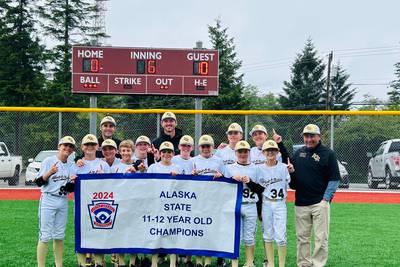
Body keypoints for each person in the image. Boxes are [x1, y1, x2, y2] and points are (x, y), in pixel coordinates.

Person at [290, 124, 340, 267]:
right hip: (301, 203)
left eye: (312, 136)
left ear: (319, 137)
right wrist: (292, 173)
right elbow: (293, 182)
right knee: (302, 238)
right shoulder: (298, 153)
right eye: (306, 136)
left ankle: (318, 264)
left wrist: (326, 199)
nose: (309, 139)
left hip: (319, 203)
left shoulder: (328, 154)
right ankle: (304, 264)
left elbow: (335, 178)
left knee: (321, 238)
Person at [246, 140, 294, 267]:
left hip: (280, 204)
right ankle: (271, 264)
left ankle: (281, 265)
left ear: (277, 152)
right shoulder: (259, 169)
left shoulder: (284, 167)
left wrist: (292, 171)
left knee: (281, 235)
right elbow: (257, 189)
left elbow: (292, 184)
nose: (270, 152)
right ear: (263, 152)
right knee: (267, 234)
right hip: (266, 203)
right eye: (268, 150)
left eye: (273, 150)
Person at [35, 136, 77, 267]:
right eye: (65, 145)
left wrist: (72, 182)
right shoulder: (49, 161)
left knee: (59, 235)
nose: (67, 148)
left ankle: (59, 265)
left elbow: (69, 189)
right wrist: (50, 172)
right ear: (59, 146)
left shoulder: (71, 164)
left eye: (70, 146)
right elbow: (38, 182)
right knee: (45, 235)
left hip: (63, 200)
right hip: (48, 199)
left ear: (72, 150)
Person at [72, 134, 109, 267]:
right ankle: (82, 262)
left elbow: (111, 187)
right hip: (81, 205)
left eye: (92, 144)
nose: (90, 147)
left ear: (97, 146)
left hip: (99, 205)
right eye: (87, 145)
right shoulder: (76, 164)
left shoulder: (103, 164)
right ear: (82, 147)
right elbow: (70, 187)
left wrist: (103, 177)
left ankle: (99, 261)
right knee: (81, 233)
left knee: (99, 232)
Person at [147, 141, 183, 267]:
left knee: (172, 234)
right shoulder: (153, 167)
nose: (166, 154)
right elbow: (147, 186)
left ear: (173, 153)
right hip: (157, 205)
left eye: (169, 152)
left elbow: (184, 189)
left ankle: (173, 262)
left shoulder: (178, 168)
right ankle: (154, 262)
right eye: (164, 151)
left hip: (173, 206)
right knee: (156, 233)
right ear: (159, 153)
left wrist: (178, 178)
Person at [223, 141, 258, 267]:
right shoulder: (229, 168)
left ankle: (249, 262)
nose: (242, 154)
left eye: (245, 151)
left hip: (250, 204)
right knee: (235, 235)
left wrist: (250, 182)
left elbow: (261, 189)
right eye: (240, 151)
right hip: (235, 205)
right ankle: (234, 263)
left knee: (249, 236)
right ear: (235, 153)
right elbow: (224, 188)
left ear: (249, 152)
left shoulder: (256, 168)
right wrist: (231, 180)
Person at [191, 135, 223, 267]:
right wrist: (191, 176)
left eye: (208, 146)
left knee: (210, 230)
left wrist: (221, 176)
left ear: (213, 147)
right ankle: (199, 260)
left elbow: (226, 177)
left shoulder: (219, 161)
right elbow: (185, 181)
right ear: (199, 148)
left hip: (213, 200)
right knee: (198, 230)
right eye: (203, 146)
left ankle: (208, 260)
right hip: (197, 200)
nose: (205, 149)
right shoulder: (193, 161)